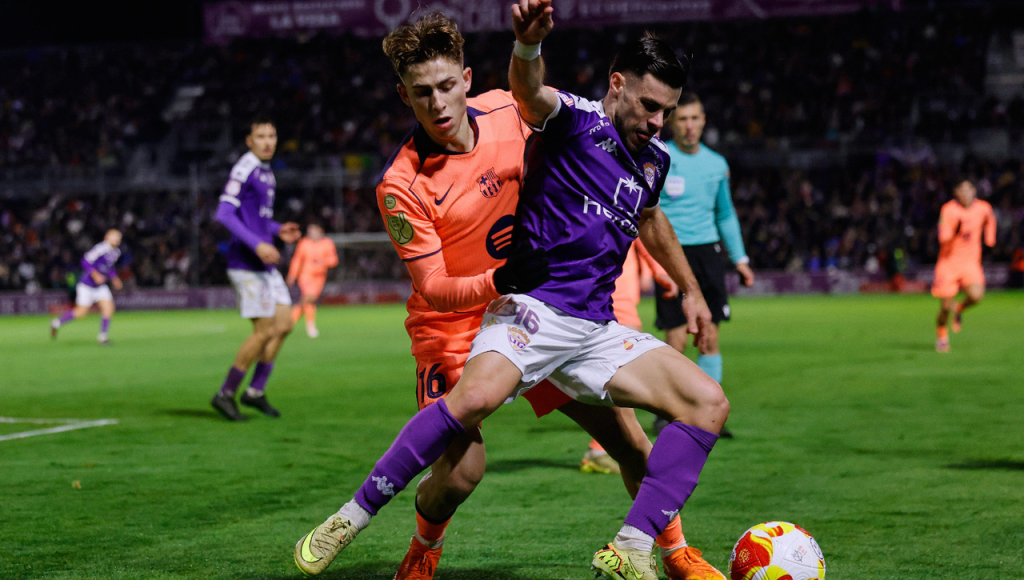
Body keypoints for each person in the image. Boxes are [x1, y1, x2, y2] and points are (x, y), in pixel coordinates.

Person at [293, 5, 730, 580]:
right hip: (462, 321)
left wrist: (689, 287)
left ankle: (666, 552)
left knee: (630, 441)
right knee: (462, 472)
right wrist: (501, 280)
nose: (438, 103)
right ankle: (407, 540)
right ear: (405, 96)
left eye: (447, 86)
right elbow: (434, 287)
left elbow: (549, 117)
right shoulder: (401, 185)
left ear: (467, 81)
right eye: (422, 92)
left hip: (555, 310)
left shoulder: (507, 111)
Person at [652, 91, 754, 437]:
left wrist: (740, 259)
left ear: (704, 121)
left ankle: (709, 414)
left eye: (695, 118)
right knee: (676, 337)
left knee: (709, 335)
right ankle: (668, 411)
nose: (689, 126)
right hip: (672, 254)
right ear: (671, 122)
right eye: (682, 119)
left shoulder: (717, 165)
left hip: (708, 255)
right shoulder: (659, 156)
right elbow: (647, 213)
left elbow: (725, 214)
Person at [210, 115, 301, 421]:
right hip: (246, 264)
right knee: (264, 330)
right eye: (260, 136)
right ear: (249, 141)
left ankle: (255, 392)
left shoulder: (265, 171)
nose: (267, 142)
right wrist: (258, 244)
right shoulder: (245, 167)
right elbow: (224, 214)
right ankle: (225, 393)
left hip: (264, 265)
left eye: (271, 136)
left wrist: (277, 230)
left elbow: (257, 218)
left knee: (284, 324)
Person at [581, 240, 676, 474]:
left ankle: (607, 450)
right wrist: (658, 270)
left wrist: (655, 270)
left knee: (620, 380)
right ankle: (613, 451)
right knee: (625, 379)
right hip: (608, 295)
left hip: (612, 294)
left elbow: (642, 236)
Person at [932, 178, 996, 352]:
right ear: (956, 193)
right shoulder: (948, 210)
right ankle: (942, 334)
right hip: (948, 262)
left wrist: (990, 238)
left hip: (970, 262)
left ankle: (959, 308)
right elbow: (942, 238)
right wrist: (955, 231)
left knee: (976, 296)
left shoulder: (984, 208)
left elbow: (990, 220)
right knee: (945, 306)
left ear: (974, 191)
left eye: (969, 190)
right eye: (962, 190)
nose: (966, 194)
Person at [50, 229, 123, 346]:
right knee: (81, 313)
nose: (116, 239)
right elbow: (85, 261)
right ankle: (57, 322)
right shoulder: (100, 249)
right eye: (114, 237)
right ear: (107, 237)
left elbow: (109, 267)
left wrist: (114, 278)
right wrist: (95, 274)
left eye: (118, 238)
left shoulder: (116, 252)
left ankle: (103, 337)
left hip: (100, 286)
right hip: (87, 285)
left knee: (109, 308)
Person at [287, 223, 338, 338]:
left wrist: (323, 262)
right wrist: (292, 275)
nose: (311, 234)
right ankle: (310, 325)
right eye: (310, 232)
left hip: (319, 277)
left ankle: (291, 321)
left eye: (314, 231)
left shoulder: (327, 243)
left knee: (307, 300)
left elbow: (334, 260)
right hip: (306, 276)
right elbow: (297, 260)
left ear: (320, 232)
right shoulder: (304, 243)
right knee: (309, 297)